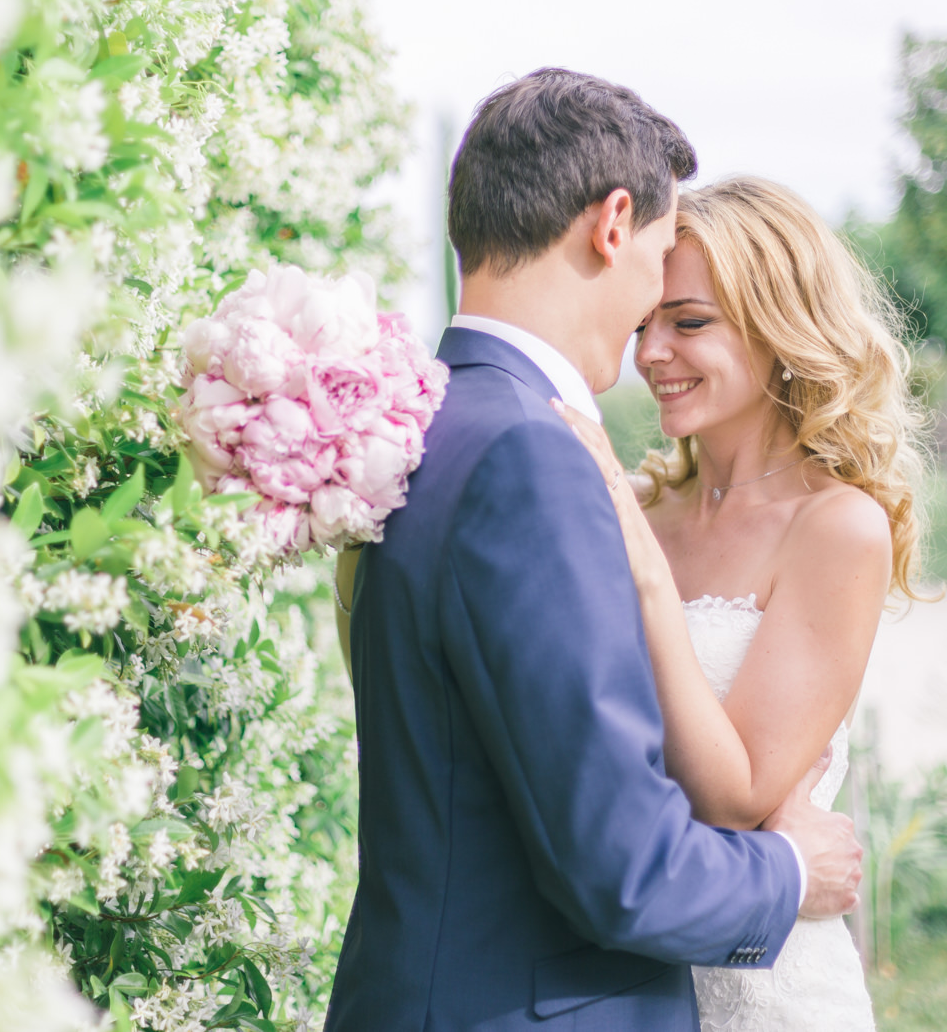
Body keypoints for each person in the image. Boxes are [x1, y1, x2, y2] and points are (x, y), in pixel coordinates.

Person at [324, 69, 863, 1032]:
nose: (652, 333)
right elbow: (621, 868)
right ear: (615, 224)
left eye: (688, 316)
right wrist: (790, 870)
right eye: (658, 267)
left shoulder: (423, 422)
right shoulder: (533, 453)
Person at [553, 175, 928, 1030]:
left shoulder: (836, 528)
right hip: (621, 977)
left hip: (772, 990)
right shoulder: (639, 510)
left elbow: (740, 795)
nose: (652, 352)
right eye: (645, 320)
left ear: (780, 328)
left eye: (689, 323)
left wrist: (645, 574)